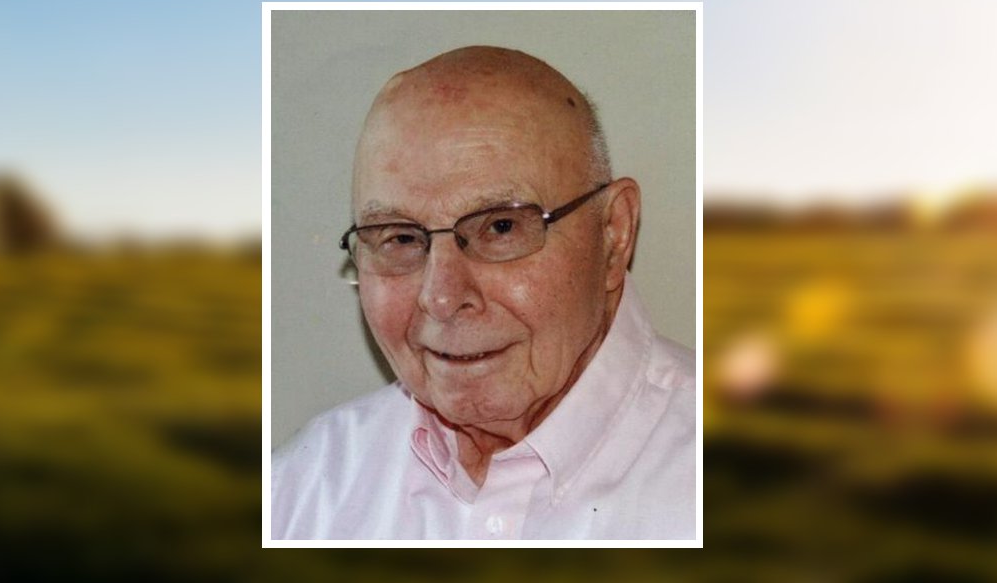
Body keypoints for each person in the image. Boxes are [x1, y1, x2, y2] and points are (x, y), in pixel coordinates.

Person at [272, 45, 695, 539]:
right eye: (401, 238)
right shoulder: (298, 495)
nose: (442, 297)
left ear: (613, 234)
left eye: (500, 227)